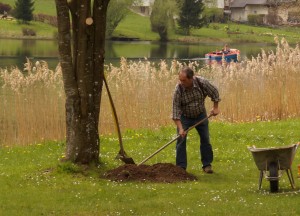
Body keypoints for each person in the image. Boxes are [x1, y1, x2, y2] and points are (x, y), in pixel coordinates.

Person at [172, 67, 220, 173]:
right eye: (180, 80)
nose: (181, 82)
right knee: (180, 140)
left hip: (201, 115)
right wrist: (180, 128)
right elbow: (175, 111)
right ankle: (181, 168)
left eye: (184, 80)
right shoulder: (178, 90)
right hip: (185, 117)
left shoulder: (201, 83)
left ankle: (207, 165)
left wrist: (215, 107)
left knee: (205, 139)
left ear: (191, 78)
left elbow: (215, 92)